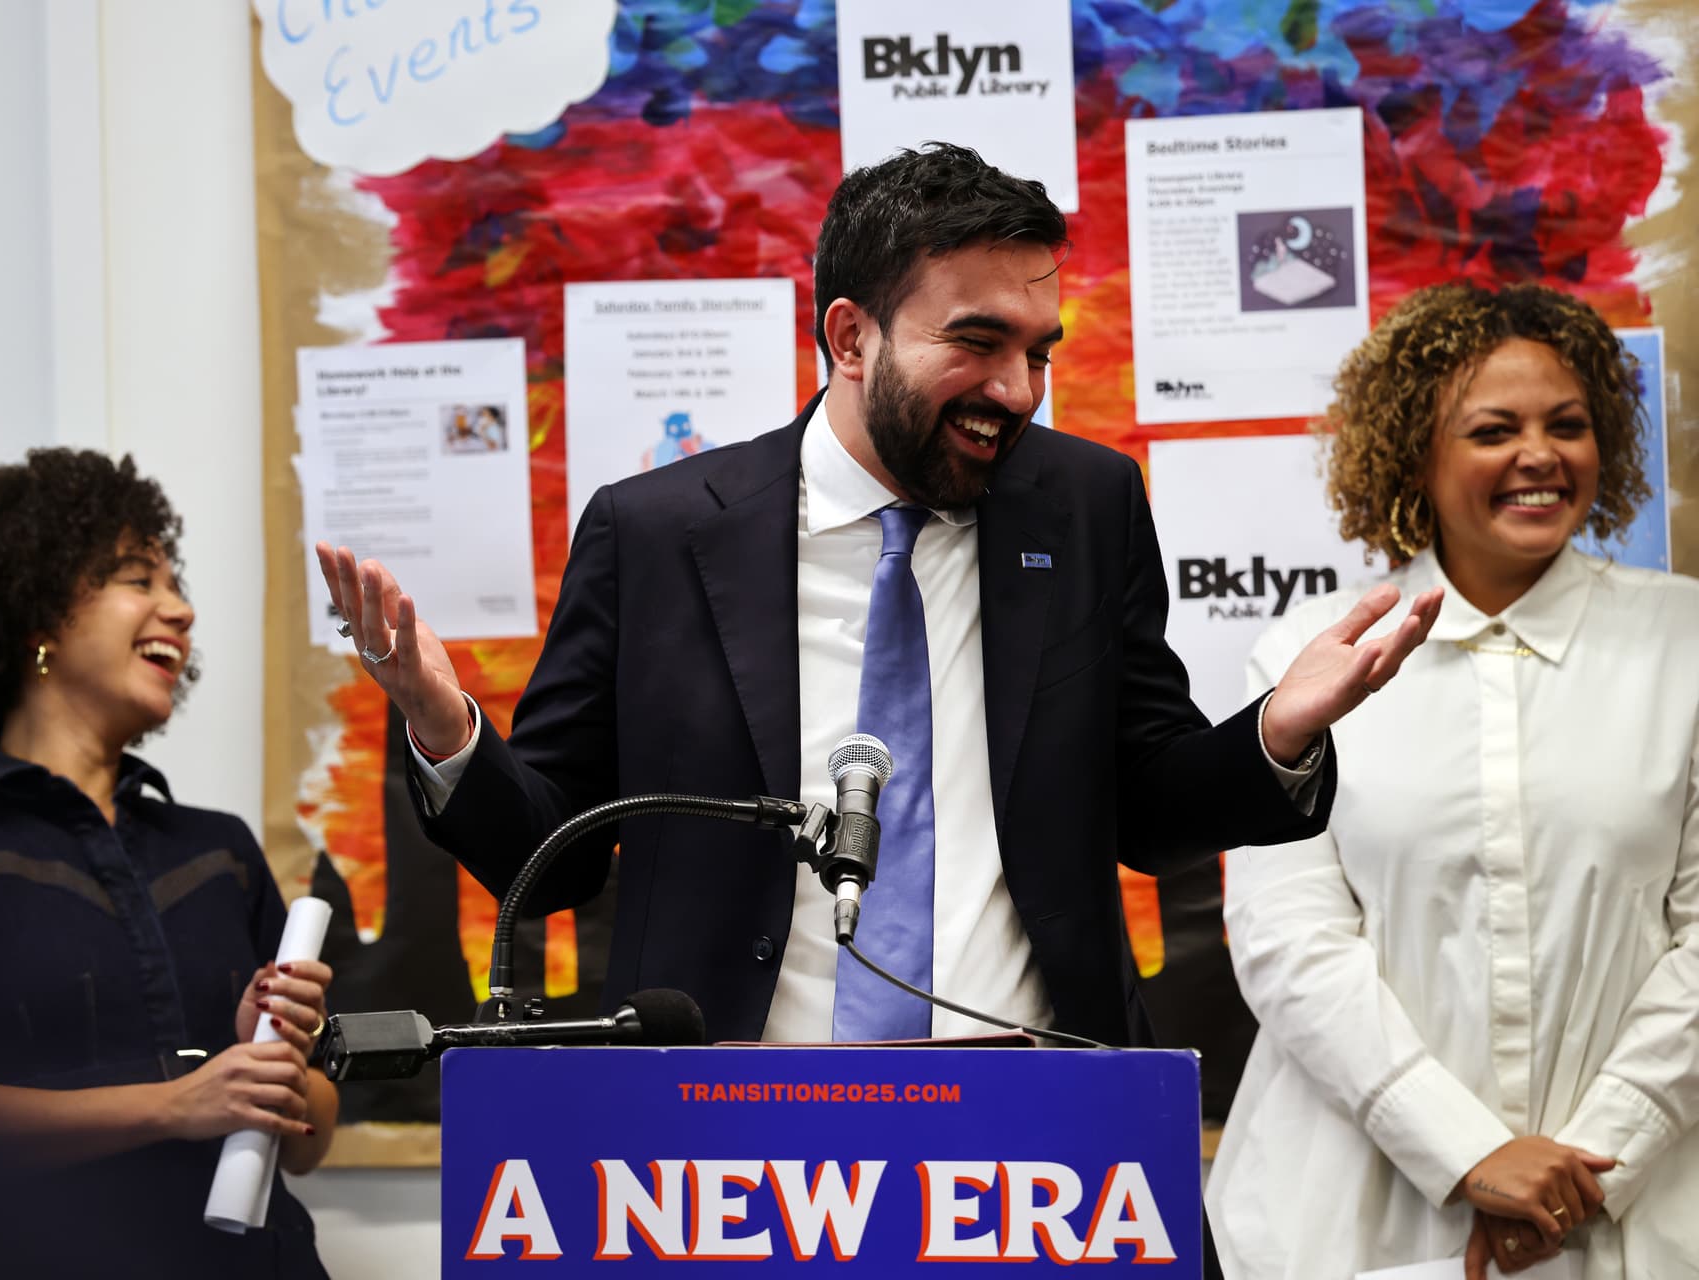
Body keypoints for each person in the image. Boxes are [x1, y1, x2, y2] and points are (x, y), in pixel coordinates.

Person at [317, 141, 1438, 1055]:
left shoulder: (1085, 504)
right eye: (977, 342)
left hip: (1036, 1115)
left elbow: (1144, 811)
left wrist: (1275, 737)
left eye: (1040, 352)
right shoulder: (656, 531)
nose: (1018, 389)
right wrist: (444, 725)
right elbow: (556, 860)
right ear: (851, 336)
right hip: (731, 1133)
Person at [1207, 282, 1699, 1279]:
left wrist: (1583, 1166)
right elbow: (1289, 941)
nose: (1540, 454)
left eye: (1569, 425)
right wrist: (1466, 1152)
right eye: (1493, 429)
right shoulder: (1313, 651)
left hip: (1632, 1216)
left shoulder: (1682, 641)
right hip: (1354, 1220)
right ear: (1414, 454)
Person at [0, 449, 336, 1275]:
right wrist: (174, 1106)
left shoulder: (221, 851)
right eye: (139, 579)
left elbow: (314, 1138)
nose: (181, 610)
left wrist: (271, 1061)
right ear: (38, 618)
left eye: (176, 586)